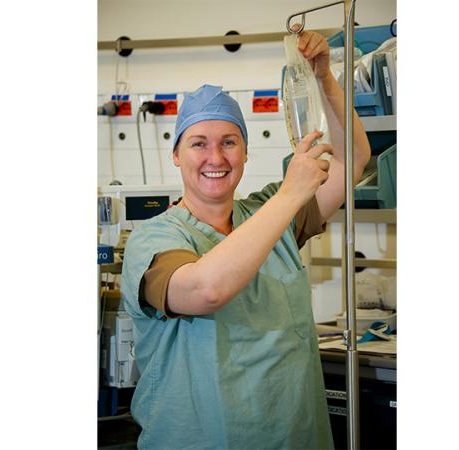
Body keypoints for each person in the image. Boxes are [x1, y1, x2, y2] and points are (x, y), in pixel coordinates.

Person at [121, 29, 371, 449]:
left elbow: (353, 160)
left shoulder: (271, 215)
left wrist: (325, 79)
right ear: (177, 154)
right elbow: (206, 289)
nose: (215, 158)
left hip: (294, 437)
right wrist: (292, 193)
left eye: (229, 143)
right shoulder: (155, 239)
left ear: (246, 153)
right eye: (199, 144)